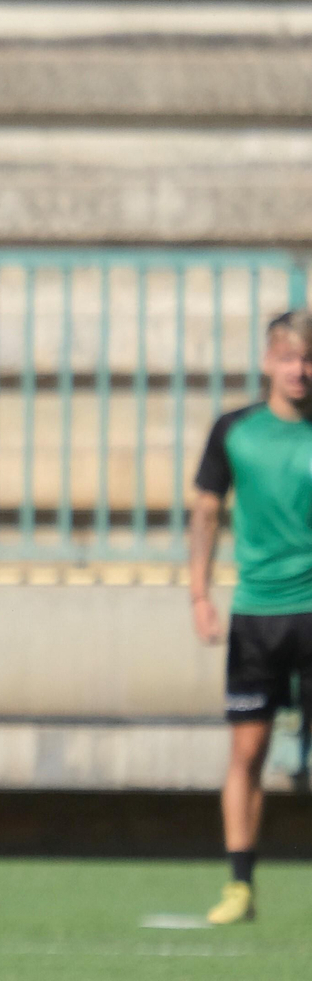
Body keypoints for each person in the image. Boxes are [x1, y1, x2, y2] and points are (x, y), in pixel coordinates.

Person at [190, 309, 312, 925]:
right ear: (268, 361)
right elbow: (206, 511)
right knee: (248, 749)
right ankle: (240, 887)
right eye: (289, 357)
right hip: (258, 615)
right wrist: (198, 593)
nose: (300, 369)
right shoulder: (234, 430)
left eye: (309, 358)